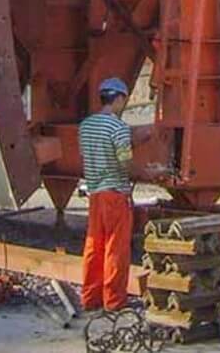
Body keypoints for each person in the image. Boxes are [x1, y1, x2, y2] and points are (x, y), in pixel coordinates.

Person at [79, 77, 136, 314]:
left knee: (94, 245)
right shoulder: (118, 127)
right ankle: (114, 301)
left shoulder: (86, 126)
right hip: (115, 195)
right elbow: (125, 162)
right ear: (119, 98)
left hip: (95, 194)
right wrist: (143, 172)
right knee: (116, 248)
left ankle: (90, 298)